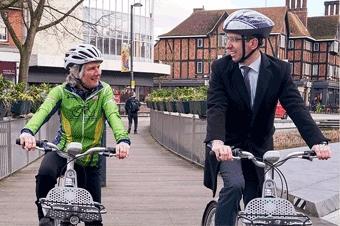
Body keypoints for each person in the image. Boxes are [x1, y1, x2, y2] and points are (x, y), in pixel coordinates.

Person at [203, 9, 331, 226]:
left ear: (252, 43)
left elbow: (296, 107)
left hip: (259, 148)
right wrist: (217, 142)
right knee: (234, 185)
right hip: (228, 147)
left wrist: (317, 142)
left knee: (258, 203)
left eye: (234, 39)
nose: (228, 45)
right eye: (228, 39)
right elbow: (216, 106)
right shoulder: (222, 68)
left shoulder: (279, 70)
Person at [19, 44, 130, 226]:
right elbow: (43, 111)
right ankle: (44, 218)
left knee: (93, 219)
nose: (98, 72)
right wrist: (27, 132)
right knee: (45, 173)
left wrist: (122, 140)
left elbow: (113, 115)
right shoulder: (60, 92)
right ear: (77, 71)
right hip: (62, 151)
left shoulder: (104, 91)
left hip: (90, 157)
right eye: (92, 68)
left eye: (98, 67)